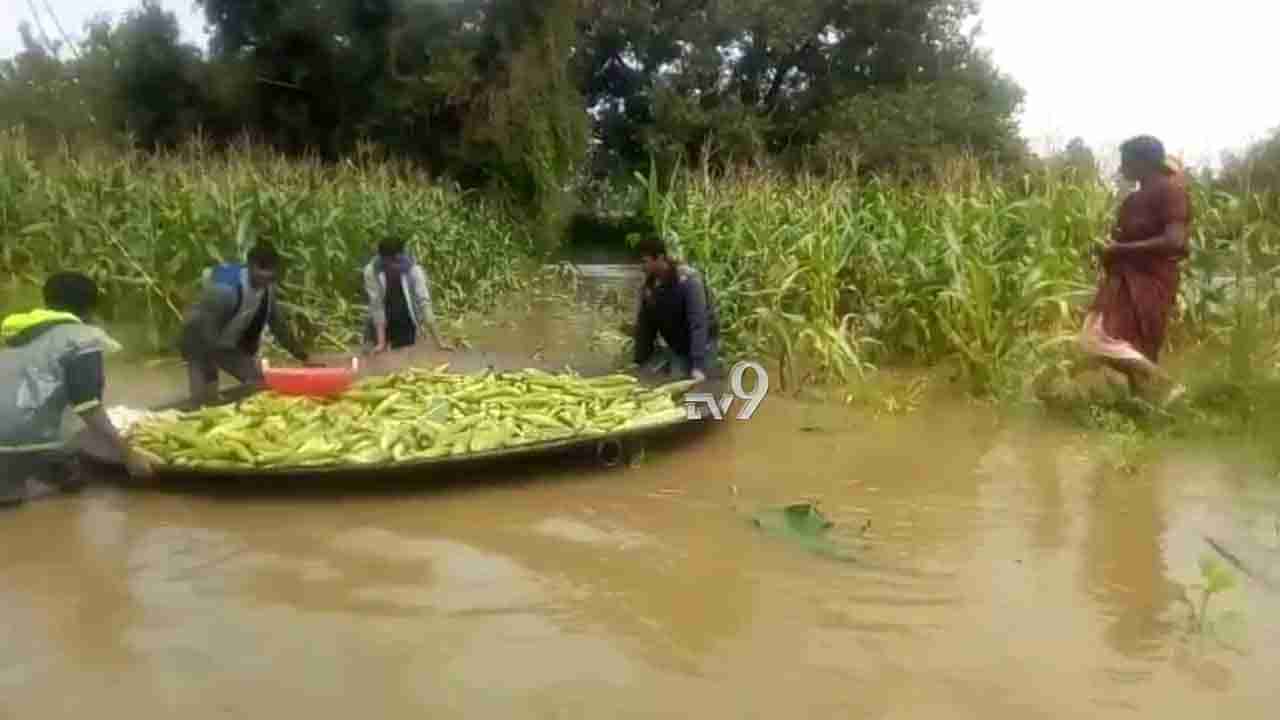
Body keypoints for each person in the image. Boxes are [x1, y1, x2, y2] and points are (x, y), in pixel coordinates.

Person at [1, 272, 153, 507]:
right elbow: (88, 407)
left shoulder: (17, 336)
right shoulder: (81, 340)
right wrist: (128, 455)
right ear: (91, 309)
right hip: (25, 444)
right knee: (75, 488)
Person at [1078, 134, 1190, 403]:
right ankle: (1148, 403)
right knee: (1100, 336)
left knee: (1101, 337)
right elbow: (1121, 241)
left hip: (1152, 278)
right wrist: (1105, 251)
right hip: (1124, 277)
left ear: (1144, 162)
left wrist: (1119, 250)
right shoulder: (1131, 202)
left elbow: (1175, 241)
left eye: (1125, 161)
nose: (1121, 168)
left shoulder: (1170, 191)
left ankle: (1163, 390)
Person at [179, 241, 315, 406]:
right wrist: (210, 376)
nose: (265, 276)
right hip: (199, 339)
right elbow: (203, 331)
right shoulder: (226, 292)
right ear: (250, 265)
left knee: (259, 382)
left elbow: (279, 327)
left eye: (270, 271)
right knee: (202, 399)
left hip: (225, 344)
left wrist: (303, 357)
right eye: (261, 269)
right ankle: (198, 400)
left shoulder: (267, 290)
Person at [632, 234, 720, 382]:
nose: (642, 267)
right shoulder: (649, 288)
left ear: (659, 258)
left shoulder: (689, 281)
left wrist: (697, 365)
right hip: (678, 345)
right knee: (676, 382)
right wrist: (639, 362)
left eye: (645, 262)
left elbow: (698, 322)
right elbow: (645, 329)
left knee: (702, 384)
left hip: (703, 342)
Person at [363, 237, 449, 353]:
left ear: (400, 255)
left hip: (406, 318)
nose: (391, 264)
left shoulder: (414, 270)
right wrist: (381, 343)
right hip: (383, 321)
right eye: (388, 260)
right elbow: (377, 305)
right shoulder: (371, 271)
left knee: (405, 349)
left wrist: (439, 342)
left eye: (395, 260)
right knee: (375, 348)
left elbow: (424, 303)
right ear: (381, 257)